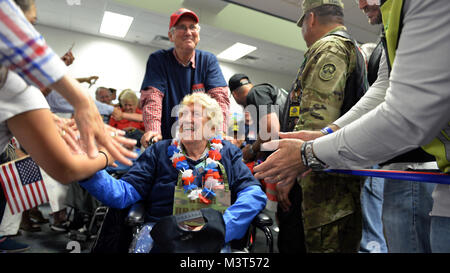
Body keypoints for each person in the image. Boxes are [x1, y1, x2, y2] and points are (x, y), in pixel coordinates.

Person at [253, 0, 450, 253]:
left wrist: (307, 153)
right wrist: (326, 133)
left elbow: (406, 115)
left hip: (372, 174)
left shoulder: (333, 46)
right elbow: (383, 90)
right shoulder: (391, 24)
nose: (361, 3)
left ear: (310, 19)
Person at [0, 0, 137, 251]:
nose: (36, 36)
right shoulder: (12, 83)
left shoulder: (15, 83)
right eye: (29, 26)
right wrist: (107, 156)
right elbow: (67, 169)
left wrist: (56, 119)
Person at [79, 92, 267, 252]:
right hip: (163, 233)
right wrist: (86, 169)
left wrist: (224, 225)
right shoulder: (159, 151)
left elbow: (253, 193)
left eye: (195, 114)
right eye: (183, 114)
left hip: (214, 235)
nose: (186, 119)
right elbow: (122, 193)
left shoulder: (227, 152)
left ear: (212, 125)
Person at [139, 8, 230, 147]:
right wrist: (153, 131)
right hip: (166, 140)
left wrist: (220, 132)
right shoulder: (158, 59)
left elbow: (219, 98)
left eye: (192, 27)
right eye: (182, 27)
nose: (188, 32)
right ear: (171, 36)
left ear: (198, 34)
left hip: (200, 142)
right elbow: (153, 96)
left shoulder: (208, 60)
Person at [228, 74, 288, 163]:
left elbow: (271, 130)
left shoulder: (255, 93)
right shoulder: (266, 92)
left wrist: (252, 149)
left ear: (234, 95)